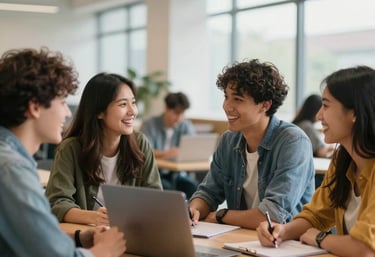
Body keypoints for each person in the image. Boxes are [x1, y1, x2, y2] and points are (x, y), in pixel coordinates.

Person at [0, 47, 125, 257]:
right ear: (35, 107)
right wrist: (103, 252)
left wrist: (80, 238)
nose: (68, 113)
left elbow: (29, 236)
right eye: (63, 102)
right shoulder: (12, 169)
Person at [257, 66, 375, 256]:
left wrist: (320, 238)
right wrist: (283, 231)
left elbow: (366, 249)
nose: (319, 115)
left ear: (354, 113)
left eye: (326, 106)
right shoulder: (342, 159)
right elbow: (316, 216)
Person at [189, 59, 315, 229]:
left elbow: (272, 215)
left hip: (287, 244)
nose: (227, 106)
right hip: (241, 238)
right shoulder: (228, 140)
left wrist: (221, 215)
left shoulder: (292, 142)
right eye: (226, 97)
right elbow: (208, 193)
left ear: (265, 105)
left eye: (238, 99)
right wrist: (194, 210)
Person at [45, 72, 162, 226]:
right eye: (122, 104)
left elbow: (156, 198)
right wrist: (94, 217)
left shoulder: (140, 144)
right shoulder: (71, 149)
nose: (132, 111)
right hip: (86, 236)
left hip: (133, 233)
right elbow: (57, 202)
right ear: (99, 112)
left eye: (133, 102)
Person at [140, 92, 199, 198]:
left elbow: (193, 148)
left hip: (178, 173)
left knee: (194, 187)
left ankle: (189, 215)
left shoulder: (185, 125)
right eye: (176, 113)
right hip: (156, 174)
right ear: (166, 108)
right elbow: (144, 151)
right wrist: (167, 153)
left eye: (182, 113)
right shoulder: (149, 124)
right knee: (168, 188)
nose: (179, 118)